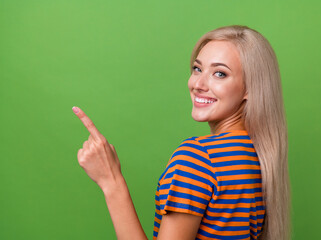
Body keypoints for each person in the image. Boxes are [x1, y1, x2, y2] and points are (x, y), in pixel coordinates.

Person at [72, 25, 291, 240]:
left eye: (220, 73)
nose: (198, 83)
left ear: (250, 88)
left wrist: (111, 181)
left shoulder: (198, 158)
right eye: (198, 69)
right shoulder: (257, 155)